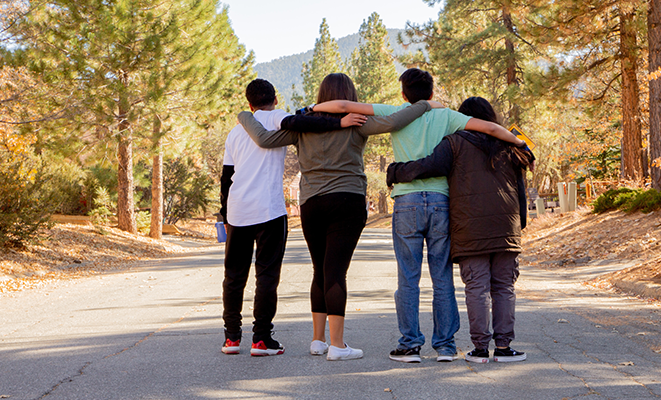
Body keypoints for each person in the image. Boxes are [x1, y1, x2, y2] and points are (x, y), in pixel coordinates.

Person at [309, 68, 525, 363]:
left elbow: (343, 107)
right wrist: (519, 143)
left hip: (406, 202)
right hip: (440, 202)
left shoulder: (397, 112)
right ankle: (446, 346)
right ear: (432, 93)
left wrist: (312, 108)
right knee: (442, 277)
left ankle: (410, 345)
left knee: (408, 278)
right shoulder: (448, 116)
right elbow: (488, 128)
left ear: (403, 94)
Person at [237, 73, 435, 361]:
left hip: (311, 203)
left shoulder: (304, 124)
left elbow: (264, 139)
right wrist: (425, 106)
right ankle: (338, 346)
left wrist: (245, 115)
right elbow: (395, 121)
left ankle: (318, 340)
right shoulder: (356, 120)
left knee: (320, 270)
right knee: (336, 272)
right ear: (348, 95)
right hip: (347, 200)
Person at [219, 78, 366, 356]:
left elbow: (226, 178)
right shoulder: (278, 117)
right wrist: (340, 123)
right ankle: (261, 340)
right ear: (275, 99)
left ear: (249, 104)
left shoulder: (235, 132)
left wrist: (224, 213)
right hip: (269, 210)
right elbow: (308, 124)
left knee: (234, 276)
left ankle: (231, 338)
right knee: (267, 275)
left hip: (237, 210)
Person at [386, 96, 534, 363]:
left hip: (470, 228)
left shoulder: (454, 143)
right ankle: (503, 348)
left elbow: (426, 167)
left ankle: (479, 350)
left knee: (476, 287)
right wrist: (519, 223)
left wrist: (395, 172)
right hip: (506, 228)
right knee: (504, 287)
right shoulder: (510, 145)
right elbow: (520, 189)